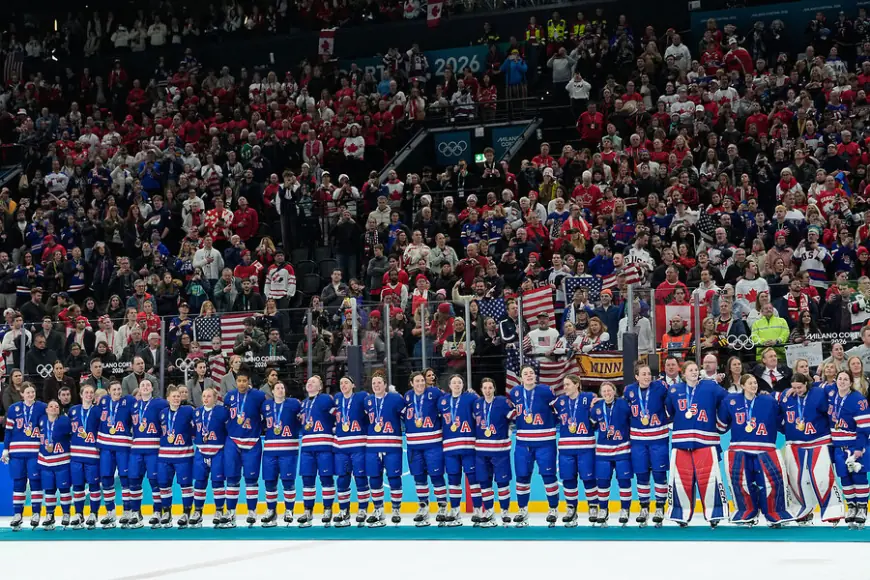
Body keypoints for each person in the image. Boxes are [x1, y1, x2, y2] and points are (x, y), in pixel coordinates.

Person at [718, 374, 794, 527]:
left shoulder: (768, 401)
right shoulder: (731, 400)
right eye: (750, 383)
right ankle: (746, 511)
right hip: (739, 448)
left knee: (772, 482)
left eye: (755, 383)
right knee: (741, 482)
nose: (754, 385)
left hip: (765, 447)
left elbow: (781, 422)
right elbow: (721, 426)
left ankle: (775, 513)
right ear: (743, 385)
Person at [665, 360, 728, 527]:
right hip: (681, 442)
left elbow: (727, 401)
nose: (694, 372)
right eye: (690, 370)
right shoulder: (674, 390)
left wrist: (720, 423)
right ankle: (681, 514)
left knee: (710, 478)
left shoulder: (711, 386)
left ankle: (714, 514)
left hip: (706, 441)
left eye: (696, 369)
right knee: (681, 480)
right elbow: (669, 411)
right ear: (683, 373)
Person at [779, 373, 843, 525]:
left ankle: (833, 511)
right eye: (794, 387)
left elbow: (834, 391)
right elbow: (776, 412)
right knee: (797, 479)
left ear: (806, 384)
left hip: (818, 441)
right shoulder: (786, 396)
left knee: (822, 477)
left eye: (800, 387)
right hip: (795, 443)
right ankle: (802, 510)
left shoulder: (819, 392)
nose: (797, 390)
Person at [508, 365, 559, 527]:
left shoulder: (545, 391)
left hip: (545, 441)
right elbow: (511, 414)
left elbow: (560, 410)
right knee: (522, 476)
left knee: (548, 476)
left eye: (531, 373)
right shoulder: (515, 392)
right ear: (521, 377)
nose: (529, 375)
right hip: (523, 443)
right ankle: (522, 509)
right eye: (525, 373)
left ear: (535, 376)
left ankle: (553, 508)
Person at [624, 362, 670, 526]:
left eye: (649, 373)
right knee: (642, 474)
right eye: (643, 374)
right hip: (638, 441)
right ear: (636, 376)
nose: (647, 377)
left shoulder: (660, 387)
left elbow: (673, 400)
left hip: (658, 439)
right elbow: (622, 408)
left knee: (659, 474)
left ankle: (660, 507)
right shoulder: (629, 390)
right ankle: (644, 507)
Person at [222, 368, 266, 528]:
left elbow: (266, 416)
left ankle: (252, 511)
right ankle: (231, 512)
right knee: (232, 478)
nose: (241, 383)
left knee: (251, 479)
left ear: (249, 381)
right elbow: (225, 417)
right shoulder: (229, 396)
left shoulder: (259, 396)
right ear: (236, 382)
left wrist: (259, 428)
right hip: (233, 441)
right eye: (239, 381)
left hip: (252, 442)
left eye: (244, 381)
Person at [404, 371, 448, 526]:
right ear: (411, 383)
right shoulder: (407, 397)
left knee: (436, 476)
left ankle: (442, 507)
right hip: (414, 446)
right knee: (419, 477)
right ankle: (423, 507)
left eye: (422, 380)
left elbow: (447, 405)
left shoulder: (434, 393)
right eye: (417, 381)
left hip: (433, 444)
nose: (420, 383)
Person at [2, 384, 47, 531]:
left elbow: (46, 427)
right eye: (27, 392)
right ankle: (17, 514)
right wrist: (6, 449)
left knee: (35, 482)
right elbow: (8, 431)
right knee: (18, 483)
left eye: (32, 392)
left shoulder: (42, 407)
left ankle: (36, 513)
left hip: (34, 452)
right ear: (22, 394)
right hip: (17, 453)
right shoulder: (13, 409)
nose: (31, 394)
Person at [364, 370, 405, 527]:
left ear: (385, 385)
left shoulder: (395, 399)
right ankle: (378, 510)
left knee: (394, 478)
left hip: (392, 445)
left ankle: (396, 510)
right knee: (374, 478)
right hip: (373, 446)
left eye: (379, 383)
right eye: (374, 383)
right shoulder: (368, 401)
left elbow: (407, 417)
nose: (376, 385)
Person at [438, 374, 481, 526]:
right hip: (450, 448)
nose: (457, 385)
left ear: (463, 385)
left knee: (473, 479)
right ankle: (455, 510)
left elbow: (481, 411)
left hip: (468, 446)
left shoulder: (470, 398)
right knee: (453, 479)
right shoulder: (442, 401)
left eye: (459, 382)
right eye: (454, 382)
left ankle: (477, 510)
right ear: (449, 385)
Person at [829, 370, 870, 528]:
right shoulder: (831, 396)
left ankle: (862, 507)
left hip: (854, 446)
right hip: (839, 447)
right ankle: (851, 506)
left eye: (846, 379)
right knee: (845, 478)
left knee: (859, 477)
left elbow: (864, 426)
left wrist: (859, 448)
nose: (842, 382)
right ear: (836, 381)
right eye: (840, 379)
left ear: (851, 382)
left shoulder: (858, 400)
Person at [554, 374, 595, 527]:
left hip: (586, 447)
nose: (565, 387)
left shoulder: (588, 398)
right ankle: (571, 508)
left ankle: (593, 507)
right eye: (564, 385)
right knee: (568, 479)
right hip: (566, 448)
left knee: (589, 478)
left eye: (568, 384)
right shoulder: (560, 402)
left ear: (577, 384)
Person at [589, 381, 632, 526]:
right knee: (602, 481)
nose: (607, 393)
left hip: (622, 449)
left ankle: (625, 509)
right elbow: (592, 424)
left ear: (614, 391)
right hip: (603, 451)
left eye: (609, 390)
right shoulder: (597, 407)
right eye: (604, 391)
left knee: (624, 481)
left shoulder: (623, 404)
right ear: (601, 394)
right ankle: (603, 509)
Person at [259, 381, 301, 527]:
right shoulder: (266, 405)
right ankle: (271, 511)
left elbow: (302, 420)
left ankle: (289, 510)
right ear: (272, 391)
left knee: (288, 481)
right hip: (270, 451)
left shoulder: (294, 404)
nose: (280, 390)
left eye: (282, 387)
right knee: (270, 482)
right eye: (277, 388)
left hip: (288, 450)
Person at [473, 377, 513, 527]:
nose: (487, 390)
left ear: (494, 389)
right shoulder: (477, 404)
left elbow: (514, 418)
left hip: (500, 451)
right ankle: (489, 511)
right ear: (481, 390)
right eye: (485, 388)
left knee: (502, 482)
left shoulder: (503, 402)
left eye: (490, 387)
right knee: (484, 482)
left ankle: (504, 511)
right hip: (481, 452)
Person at [128, 379, 168, 529]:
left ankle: (157, 511)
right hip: (136, 450)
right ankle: (136, 512)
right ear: (139, 388)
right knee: (134, 480)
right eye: (142, 385)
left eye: (148, 385)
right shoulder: (134, 405)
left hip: (153, 449)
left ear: (152, 388)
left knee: (154, 481)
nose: (145, 387)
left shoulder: (160, 403)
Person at [298, 375, 336, 527]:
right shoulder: (303, 404)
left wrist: (335, 429)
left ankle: (327, 509)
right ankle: (308, 510)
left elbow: (338, 416)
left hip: (324, 446)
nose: (310, 383)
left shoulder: (326, 399)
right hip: (307, 448)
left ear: (320, 387)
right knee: (307, 480)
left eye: (313, 382)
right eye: (308, 381)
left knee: (326, 478)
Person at [96, 381, 135, 529]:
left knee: (125, 479)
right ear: (108, 391)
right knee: (106, 478)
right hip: (106, 447)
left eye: (119, 389)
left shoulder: (128, 401)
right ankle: (110, 512)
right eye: (114, 389)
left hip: (123, 447)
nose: (117, 392)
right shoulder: (103, 401)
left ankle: (127, 511)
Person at [332, 375, 370, 527]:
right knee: (342, 479)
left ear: (353, 385)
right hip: (341, 447)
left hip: (359, 445)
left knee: (360, 478)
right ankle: (344, 511)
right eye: (341, 383)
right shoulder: (337, 399)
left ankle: (362, 510)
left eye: (346, 382)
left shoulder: (361, 397)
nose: (343, 385)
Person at [156, 385, 196, 528]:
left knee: (186, 485)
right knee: (164, 485)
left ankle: (186, 513)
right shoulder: (162, 413)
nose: (176, 398)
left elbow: (195, 429)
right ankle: (167, 512)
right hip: (165, 456)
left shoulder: (188, 411)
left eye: (178, 396)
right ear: (168, 398)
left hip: (183, 456)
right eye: (174, 396)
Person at [192, 387, 230, 527]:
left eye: (209, 396)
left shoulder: (222, 411)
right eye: (204, 396)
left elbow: (229, 429)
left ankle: (219, 511)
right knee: (199, 482)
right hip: (201, 451)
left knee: (217, 482)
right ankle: (198, 512)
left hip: (218, 451)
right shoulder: (196, 413)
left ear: (215, 398)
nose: (206, 398)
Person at [68, 384, 101, 529]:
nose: (89, 394)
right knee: (78, 485)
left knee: (94, 485)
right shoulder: (73, 410)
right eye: (86, 392)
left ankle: (94, 513)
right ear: (81, 395)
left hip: (92, 455)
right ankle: (79, 513)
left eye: (91, 392)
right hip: (76, 455)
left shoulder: (98, 411)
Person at [36, 399, 73, 530]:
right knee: (49, 490)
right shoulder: (41, 420)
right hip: (46, 462)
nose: (53, 408)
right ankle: (49, 515)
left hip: (62, 462)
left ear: (59, 410)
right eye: (51, 406)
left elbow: (72, 436)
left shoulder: (65, 421)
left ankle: (66, 513)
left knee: (64, 489)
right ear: (46, 409)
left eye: (56, 406)